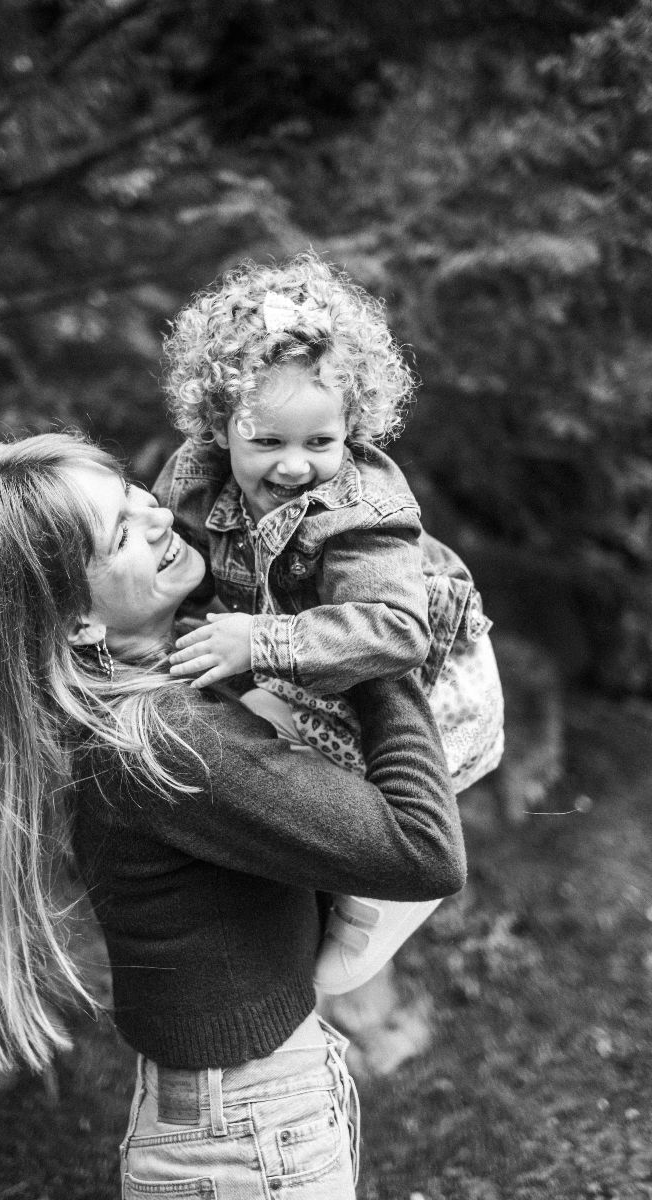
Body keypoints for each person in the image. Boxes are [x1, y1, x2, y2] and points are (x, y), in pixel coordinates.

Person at [0, 430, 466, 1199]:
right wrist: (377, 643)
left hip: (237, 1120)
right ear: (78, 622)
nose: (156, 516)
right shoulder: (166, 740)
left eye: (132, 494)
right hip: (247, 1138)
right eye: (120, 534)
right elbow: (423, 849)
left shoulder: (137, 704)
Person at [155, 250, 503, 995]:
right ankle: (321, 877)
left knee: (359, 899)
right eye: (267, 442)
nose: (293, 466)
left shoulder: (362, 510)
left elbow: (396, 629)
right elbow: (181, 577)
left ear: (353, 425)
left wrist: (260, 640)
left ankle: (394, 893)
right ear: (218, 425)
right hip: (314, 668)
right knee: (247, 737)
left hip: (429, 683)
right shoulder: (192, 475)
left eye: (320, 442)